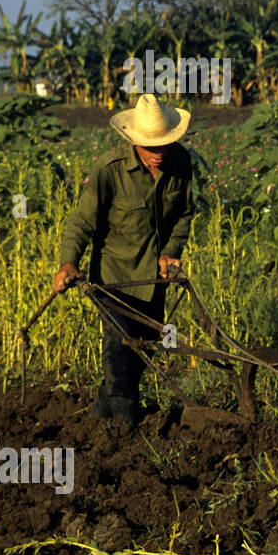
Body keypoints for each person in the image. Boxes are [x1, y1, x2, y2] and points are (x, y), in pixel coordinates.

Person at [52, 92, 196, 424]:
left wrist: (170, 252)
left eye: (165, 144)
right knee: (119, 343)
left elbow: (185, 214)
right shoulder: (110, 169)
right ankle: (123, 420)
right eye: (152, 146)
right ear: (135, 141)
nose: (160, 153)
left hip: (152, 281)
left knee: (143, 347)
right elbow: (81, 221)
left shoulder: (181, 163)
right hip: (113, 276)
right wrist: (69, 262)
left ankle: (101, 418)